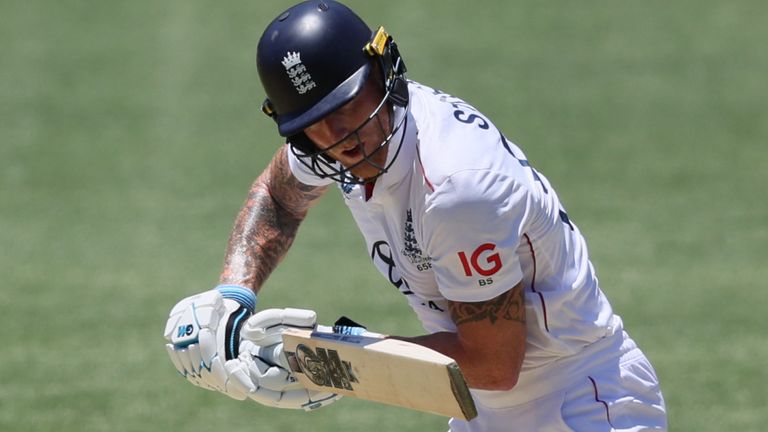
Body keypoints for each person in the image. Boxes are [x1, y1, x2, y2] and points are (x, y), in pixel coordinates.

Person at [164, 1, 668, 430]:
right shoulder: (336, 144)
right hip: (482, 409)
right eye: (319, 125)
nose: (344, 137)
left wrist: (328, 361)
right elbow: (279, 196)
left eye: (348, 107)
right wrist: (232, 294)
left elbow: (495, 364)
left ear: (384, 73)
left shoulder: (454, 188)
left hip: (580, 400)